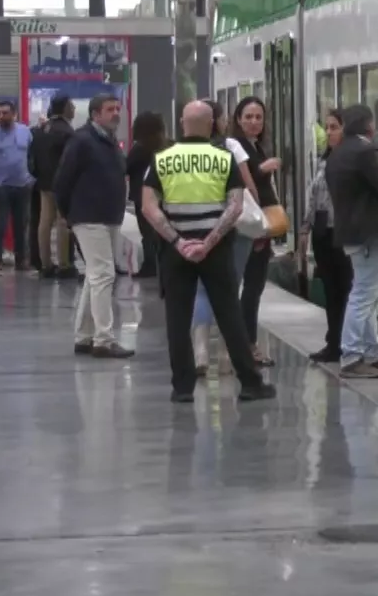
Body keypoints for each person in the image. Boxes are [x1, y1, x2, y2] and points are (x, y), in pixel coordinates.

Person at [139, 100, 276, 404]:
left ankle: (182, 387)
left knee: (177, 316)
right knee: (230, 315)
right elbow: (235, 206)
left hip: (176, 252)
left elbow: (149, 206)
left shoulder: (161, 159)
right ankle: (251, 383)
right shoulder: (224, 159)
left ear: (181, 122)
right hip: (215, 252)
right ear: (212, 122)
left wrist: (178, 242)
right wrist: (208, 242)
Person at [326, 104, 378, 379]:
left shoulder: (337, 155)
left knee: (367, 294)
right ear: (369, 127)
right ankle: (350, 356)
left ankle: (374, 352)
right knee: (363, 294)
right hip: (371, 233)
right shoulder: (366, 151)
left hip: (352, 233)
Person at [54, 94, 134, 359]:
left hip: (107, 215)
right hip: (89, 216)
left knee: (94, 275)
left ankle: (85, 335)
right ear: (95, 114)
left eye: (117, 109)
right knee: (104, 275)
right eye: (110, 109)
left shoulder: (108, 140)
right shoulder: (82, 140)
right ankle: (104, 339)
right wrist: (66, 213)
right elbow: (63, 179)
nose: (116, 114)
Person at [189, 102, 260, 373]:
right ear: (217, 121)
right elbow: (246, 186)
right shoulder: (230, 146)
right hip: (235, 226)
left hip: (200, 226)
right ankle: (228, 355)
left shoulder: (181, 152)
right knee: (231, 289)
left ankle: (201, 352)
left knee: (203, 289)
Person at [231, 96, 281, 364]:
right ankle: (248, 345)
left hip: (257, 225)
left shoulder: (254, 145)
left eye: (258, 117)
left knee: (253, 287)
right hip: (251, 226)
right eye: (248, 117)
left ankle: (246, 343)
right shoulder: (237, 147)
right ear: (238, 119)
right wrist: (263, 168)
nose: (253, 122)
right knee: (251, 287)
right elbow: (244, 183)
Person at [300, 110, 352, 363]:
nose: (329, 132)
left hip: (342, 232)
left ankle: (343, 341)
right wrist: (305, 227)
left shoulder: (351, 158)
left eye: (335, 127)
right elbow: (314, 194)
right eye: (327, 127)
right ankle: (334, 342)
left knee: (344, 289)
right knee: (332, 290)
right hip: (323, 231)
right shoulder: (325, 160)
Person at [0, 101, 37, 272]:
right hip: (1, 186)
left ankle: (22, 260)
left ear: (14, 114)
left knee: (21, 224)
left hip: (22, 185)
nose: (1, 117)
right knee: (0, 224)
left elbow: (32, 156)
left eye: (5, 113)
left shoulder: (25, 132)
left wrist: (32, 177)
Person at [32, 95, 77, 279]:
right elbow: (70, 160)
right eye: (72, 105)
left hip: (43, 182)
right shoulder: (67, 131)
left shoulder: (43, 129)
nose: (74, 109)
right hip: (62, 183)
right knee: (62, 222)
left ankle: (45, 264)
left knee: (44, 222)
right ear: (65, 108)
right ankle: (64, 264)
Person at [126, 111, 168, 282]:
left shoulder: (139, 148)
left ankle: (149, 265)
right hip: (162, 193)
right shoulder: (165, 146)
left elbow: (126, 167)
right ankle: (161, 264)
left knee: (146, 232)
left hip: (141, 193)